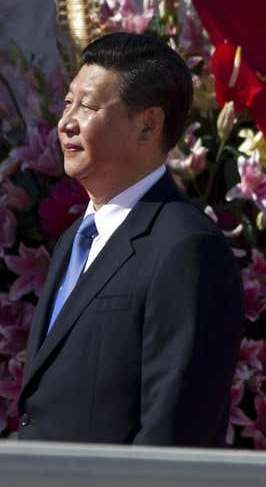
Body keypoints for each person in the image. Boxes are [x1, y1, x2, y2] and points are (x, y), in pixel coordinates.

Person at [18, 32, 244, 446]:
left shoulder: (186, 247)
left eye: (87, 106)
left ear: (148, 125)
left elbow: (174, 430)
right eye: (68, 102)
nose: (66, 121)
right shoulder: (74, 239)